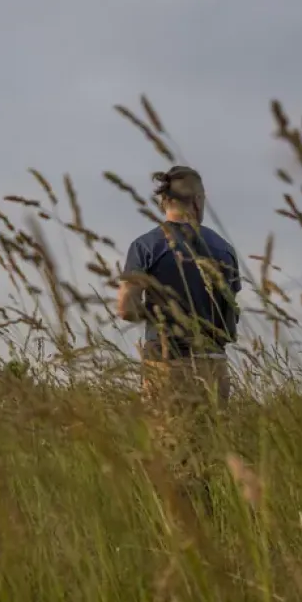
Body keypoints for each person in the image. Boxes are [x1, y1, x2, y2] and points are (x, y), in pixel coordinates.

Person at [117, 165, 240, 484]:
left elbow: (125, 308)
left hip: (168, 365)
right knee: (209, 456)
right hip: (216, 366)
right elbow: (231, 309)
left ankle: (176, 529)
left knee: (171, 459)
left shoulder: (147, 246)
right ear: (198, 200)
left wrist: (162, 316)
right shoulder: (224, 249)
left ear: (164, 202)